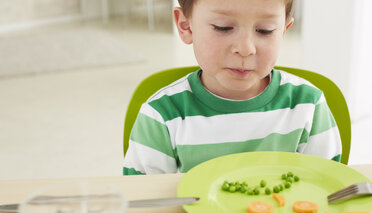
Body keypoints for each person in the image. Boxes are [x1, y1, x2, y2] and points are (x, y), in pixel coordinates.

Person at [123, 0, 342, 175]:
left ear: (284, 30)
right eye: (223, 27)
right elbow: (144, 203)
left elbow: (326, 189)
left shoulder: (308, 106)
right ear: (186, 26)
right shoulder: (162, 115)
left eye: (265, 30)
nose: (245, 48)